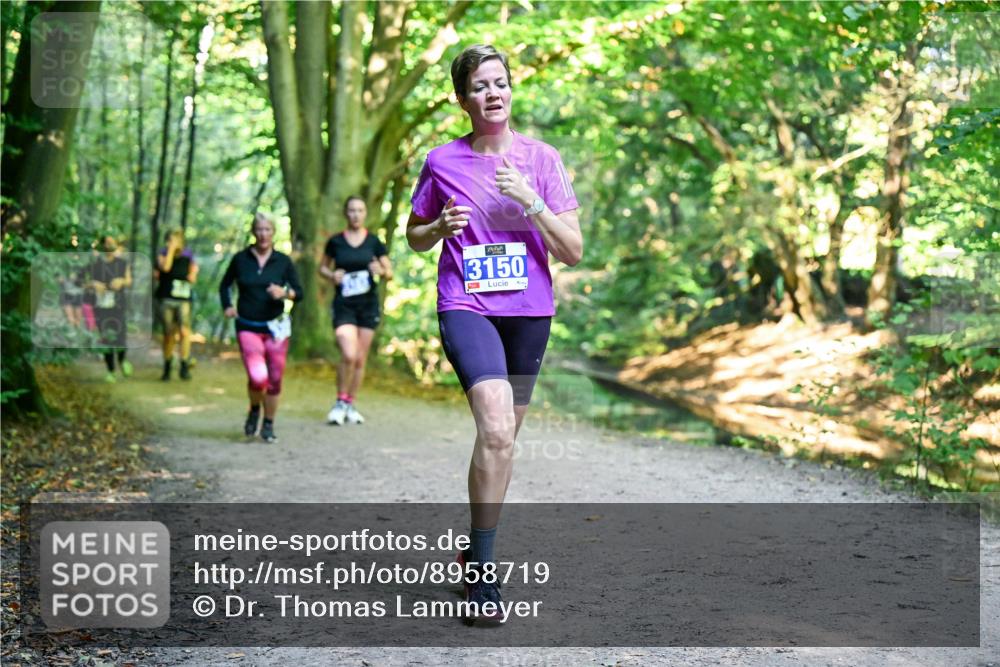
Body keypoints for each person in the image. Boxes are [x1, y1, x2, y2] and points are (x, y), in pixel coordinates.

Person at [406, 44, 582, 623]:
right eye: (480, 86)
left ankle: (472, 548)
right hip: (466, 304)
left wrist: (531, 202)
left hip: (528, 314)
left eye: (500, 82)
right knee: (497, 427)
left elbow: (573, 251)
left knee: (503, 440)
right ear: (463, 100)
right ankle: (484, 572)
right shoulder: (441, 162)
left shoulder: (542, 159)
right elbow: (414, 235)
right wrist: (438, 226)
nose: (493, 93)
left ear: (511, 89)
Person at [219, 213, 303, 443]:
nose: (263, 234)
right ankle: (255, 409)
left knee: (275, 378)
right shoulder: (241, 259)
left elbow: (299, 293)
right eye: (259, 229)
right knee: (258, 378)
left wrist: (285, 293)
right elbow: (225, 285)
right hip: (248, 325)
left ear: (273, 232)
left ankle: (268, 423)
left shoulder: (283, 261)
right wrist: (228, 306)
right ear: (253, 232)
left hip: (276, 328)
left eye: (267, 230)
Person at [319, 196, 393, 425]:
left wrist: (381, 270)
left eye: (360, 210)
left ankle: (350, 404)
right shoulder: (335, 242)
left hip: (368, 305)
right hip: (344, 305)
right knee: (349, 354)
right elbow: (322, 268)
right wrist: (332, 275)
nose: (356, 214)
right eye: (351, 210)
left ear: (365, 213)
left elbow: (389, 273)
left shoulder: (374, 242)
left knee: (360, 359)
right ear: (345, 213)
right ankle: (340, 402)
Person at [89, 235, 133, 382]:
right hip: (100, 306)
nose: (109, 245)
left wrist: (121, 281)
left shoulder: (122, 263)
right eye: (107, 243)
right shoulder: (95, 263)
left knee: (120, 335)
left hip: (118, 305)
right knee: (106, 338)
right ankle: (111, 371)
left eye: (112, 242)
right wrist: (94, 284)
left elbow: (129, 281)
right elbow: (83, 281)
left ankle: (122, 360)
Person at [155, 229, 198, 381]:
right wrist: (171, 251)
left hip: (183, 298)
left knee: (185, 331)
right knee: (169, 333)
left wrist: (193, 274)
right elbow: (166, 268)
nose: (173, 243)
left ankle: (184, 364)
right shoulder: (162, 254)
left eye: (176, 240)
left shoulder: (188, 255)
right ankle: (167, 365)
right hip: (166, 298)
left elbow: (193, 273)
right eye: (170, 240)